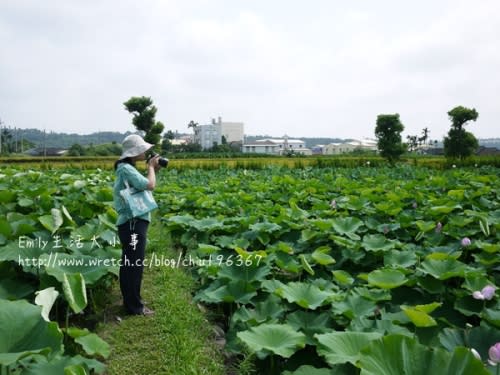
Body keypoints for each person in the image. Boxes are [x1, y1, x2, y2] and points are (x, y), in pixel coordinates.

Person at [113, 134, 160, 316]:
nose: (146, 151)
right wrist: (150, 167)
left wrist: (153, 169)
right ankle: (135, 307)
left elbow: (143, 184)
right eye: (142, 149)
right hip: (133, 223)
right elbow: (149, 185)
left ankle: (132, 300)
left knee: (130, 264)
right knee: (133, 265)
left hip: (131, 223)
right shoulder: (126, 169)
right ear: (134, 152)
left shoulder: (126, 168)